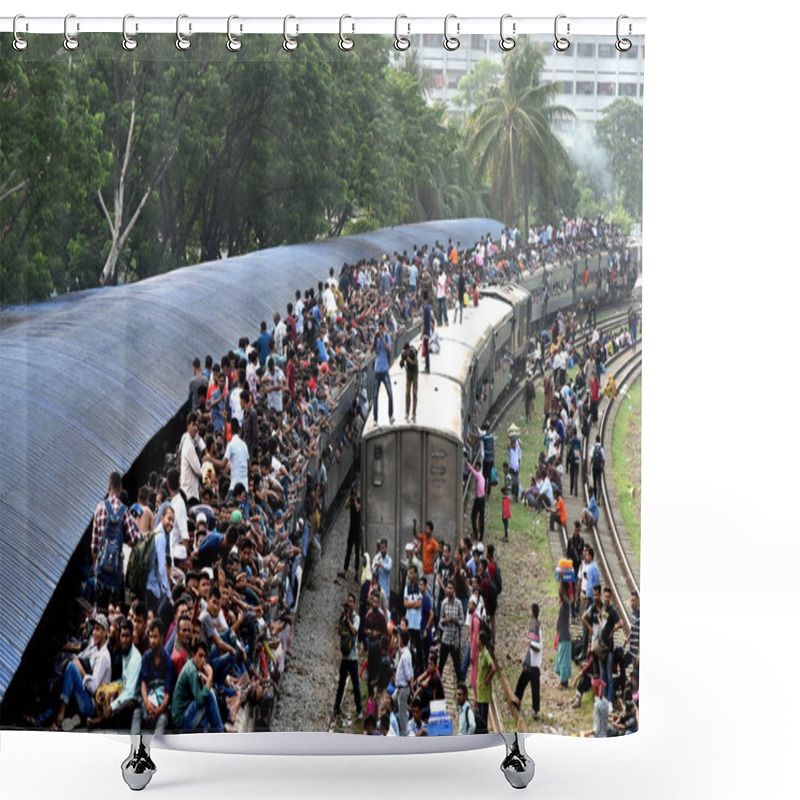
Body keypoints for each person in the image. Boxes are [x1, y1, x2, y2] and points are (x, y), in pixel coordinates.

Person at [50, 615, 112, 731]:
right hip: (87, 697)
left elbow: (93, 688)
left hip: (92, 708)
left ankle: (60, 716)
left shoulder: (103, 656)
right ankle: (51, 716)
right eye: (94, 629)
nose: (94, 632)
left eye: (98, 629)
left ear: (105, 633)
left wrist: (80, 669)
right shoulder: (96, 649)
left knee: (72, 667)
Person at [92, 472, 142, 610]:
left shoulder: (99, 508)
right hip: (116, 571)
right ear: (120, 489)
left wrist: (97, 567)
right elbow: (133, 537)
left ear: (108, 487)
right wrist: (144, 536)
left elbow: (94, 546)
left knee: (101, 610)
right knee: (116, 610)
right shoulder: (123, 510)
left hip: (102, 570)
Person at [87, 618, 141, 730]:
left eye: (127, 636)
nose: (124, 640)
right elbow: (123, 680)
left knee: (124, 705)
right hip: (123, 690)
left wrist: (112, 706)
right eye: (122, 636)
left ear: (132, 637)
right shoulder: (124, 653)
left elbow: (130, 692)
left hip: (133, 698)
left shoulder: (136, 658)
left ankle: (100, 722)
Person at [132, 619, 176, 737]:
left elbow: (168, 693)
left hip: (160, 708)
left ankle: (156, 750)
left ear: (162, 637)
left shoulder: (168, 662)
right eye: (150, 637)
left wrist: (159, 710)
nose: (152, 641)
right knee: (136, 713)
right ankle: (134, 747)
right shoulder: (146, 657)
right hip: (147, 705)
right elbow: (143, 683)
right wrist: (146, 704)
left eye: (155, 637)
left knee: (162, 719)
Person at [170, 641, 224, 732]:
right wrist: (210, 676)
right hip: (181, 722)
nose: (203, 660)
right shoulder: (192, 671)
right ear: (193, 655)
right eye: (200, 656)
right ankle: (220, 730)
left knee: (208, 695)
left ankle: (216, 729)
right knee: (209, 694)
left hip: (185, 714)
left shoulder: (192, 665)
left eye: (204, 656)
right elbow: (201, 699)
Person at [332, 593, 362, 722]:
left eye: (351, 601)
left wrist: (348, 619)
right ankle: (336, 708)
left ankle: (359, 709)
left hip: (353, 657)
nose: (349, 603)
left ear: (354, 604)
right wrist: (341, 618)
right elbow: (339, 631)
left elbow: (354, 631)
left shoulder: (356, 618)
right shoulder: (345, 617)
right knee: (341, 684)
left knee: (355, 686)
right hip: (345, 657)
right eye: (348, 601)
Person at [511, 604, 543, 719]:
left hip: (534, 663)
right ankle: (519, 702)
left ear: (533, 612)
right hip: (530, 662)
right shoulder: (533, 627)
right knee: (522, 681)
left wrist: (531, 645)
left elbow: (538, 646)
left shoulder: (537, 629)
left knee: (535, 688)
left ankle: (536, 712)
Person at [145, 505, 175, 626]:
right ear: (161, 518)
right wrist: (169, 595)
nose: (171, 523)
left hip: (148, 587)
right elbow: (162, 569)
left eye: (173, 520)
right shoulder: (161, 537)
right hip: (152, 590)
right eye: (169, 519)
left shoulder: (156, 532)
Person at [437, 580, 464, 683]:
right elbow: (440, 620)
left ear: (454, 590)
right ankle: (438, 684)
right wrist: (445, 621)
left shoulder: (458, 604)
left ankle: (460, 687)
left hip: (454, 640)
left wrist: (454, 620)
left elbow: (462, 620)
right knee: (441, 665)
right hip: (445, 639)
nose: (448, 590)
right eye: (448, 588)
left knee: (457, 667)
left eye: (451, 588)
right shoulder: (444, 603)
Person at [371, 319, 394, 424]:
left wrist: (382, 339)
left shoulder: (386, 337)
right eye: (378, 329)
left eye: (381, 329)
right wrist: (375, 340)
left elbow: (389, 348)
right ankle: (375, 419)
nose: (380, 331)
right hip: (377, 370)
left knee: (390, 393)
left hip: (384, 370)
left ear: (383, 329)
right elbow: (371, 350)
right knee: (375, 396)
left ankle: (391, 415)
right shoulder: (376, 338)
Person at [403, 564, 423, 674]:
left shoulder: (418, 588)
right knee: (409, 647)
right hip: (409, 621)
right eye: (409, 573)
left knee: (419, 648)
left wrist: (410, 604)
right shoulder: (407, 587)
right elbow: (405, 604)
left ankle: (420, 668)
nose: (410, 576)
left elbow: (419, 604)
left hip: (417, 623)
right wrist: (413, 603)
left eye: (412, 573)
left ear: (415, 573)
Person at [394, 628, 413, 736]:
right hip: (399, 689)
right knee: (391, 703)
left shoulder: (405, 656)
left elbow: (408, 674)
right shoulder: (406, 653)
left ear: (401, 640)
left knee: (402, 718)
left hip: (402, 689)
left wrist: (411, 688)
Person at [340, 483, 362, 580]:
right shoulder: (351, 499)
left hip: (358, 530)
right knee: (348, 551)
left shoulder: (359, 500)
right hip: (351, 529)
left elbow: (358, 508)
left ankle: (357, 572)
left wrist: (355, 499)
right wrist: (350, 496)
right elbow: (345, 506)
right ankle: (344, 571)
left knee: (357, 552)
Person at [554, 578, 573, 687]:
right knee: (562, 660)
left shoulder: (565, 602)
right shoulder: (564, 603)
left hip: (564, 636)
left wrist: (561, 579)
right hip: (562, 636)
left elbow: (560, 593)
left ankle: (564, 682)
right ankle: (563, 681)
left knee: (564, 661)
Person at [476, 630, 497, 724]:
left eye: (477, 639)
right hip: (480, 691)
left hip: (484, 692)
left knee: (483, 719)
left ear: (480, 641)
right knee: (480, 717)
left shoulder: (485, 653)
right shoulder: (480, 654)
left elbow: (493, 668)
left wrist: (487, 679)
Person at [464, 458, 486, 541]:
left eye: (476, 467)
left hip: (479, 499)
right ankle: (480, 536)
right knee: (481, 517)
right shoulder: (481, 477)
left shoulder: (478, 475)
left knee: (473, 516)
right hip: (482, 499)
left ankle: (477, 535)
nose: (476, 468)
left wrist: (468, 465)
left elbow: (473, 471)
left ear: (479, 467)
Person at [371, 538, 392, 619]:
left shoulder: (388, 559)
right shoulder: (377, 557)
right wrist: (376, 567)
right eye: (381, 548)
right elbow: (372, 569)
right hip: (378, 590)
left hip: (386, 591)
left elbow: (389, 568)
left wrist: (381, 565)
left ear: (386, 548)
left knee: (385, 611)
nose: (382, 550)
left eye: (384, 548)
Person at [399, 341, 418, 422]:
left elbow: (414, 363)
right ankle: (407, 411)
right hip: (408, 374)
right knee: (407, 393)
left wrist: (408, 359)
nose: (406, 352)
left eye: (406, 351)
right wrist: (402, 358)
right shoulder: (404, 354)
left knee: (414, 393)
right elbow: (401, 365)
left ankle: (413, 412)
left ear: (409, 349)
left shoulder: (413, 352)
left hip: (414, 373)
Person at [422, 291, 432, 373]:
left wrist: (422, 333)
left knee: (426, 350)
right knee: (426, 349)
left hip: (426, 332)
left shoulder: (425, 308)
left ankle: (427, 367)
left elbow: (424, 323)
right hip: (428, 331)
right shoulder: (429, 307)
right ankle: (427, 366)